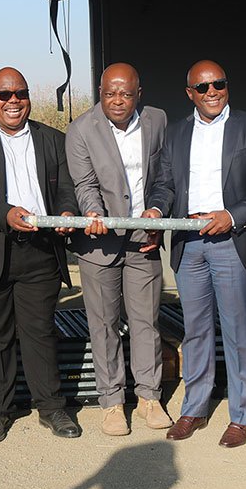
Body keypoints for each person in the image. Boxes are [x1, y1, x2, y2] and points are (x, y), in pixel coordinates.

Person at [145, 60, 246, 448]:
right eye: (203, 87)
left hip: (232, 242)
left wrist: (231, 215)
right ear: (189, 93)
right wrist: (156, 211)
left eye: (218, 84)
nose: (212, 92)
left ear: (227, 86)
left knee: (239, 331)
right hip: (189, 245)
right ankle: (195, 408)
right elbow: (164, 185)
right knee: (196, 331)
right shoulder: (175, 133)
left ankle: (242, 415)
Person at [0, 67, 81, 444]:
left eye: (20, 93)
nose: (13, 101)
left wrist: (67, 211)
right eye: (4, 95)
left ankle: (52, 407)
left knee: (39, 332)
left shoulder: (52, 139)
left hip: (40, 250)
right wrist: (5, 213)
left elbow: (67, 188)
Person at [64, 62, 172, 436]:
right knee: (104, 324)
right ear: (100, 92)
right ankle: (111, 401)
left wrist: (158, 212)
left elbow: (164, 177)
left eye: (126, 93)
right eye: (110, 93)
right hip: (99, 244)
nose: (118, 100)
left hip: (144, 240)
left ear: (138, 94)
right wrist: (91, 210)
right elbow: (84, 183)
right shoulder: (81, 128)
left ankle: (149, 397)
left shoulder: (157, 120)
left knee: (146, 323)